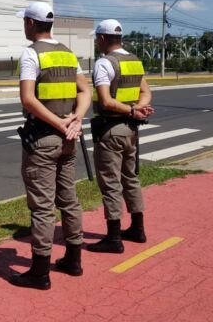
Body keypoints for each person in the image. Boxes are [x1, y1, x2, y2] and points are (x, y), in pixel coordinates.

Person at [10, 2, 91, 290]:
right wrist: (76, 120)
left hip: (44, 139)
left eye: (25, 22)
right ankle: (73, 260)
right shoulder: (68, 54)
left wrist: (60, 124)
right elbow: (85, 90)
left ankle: (40, 271)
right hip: (69, 139)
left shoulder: (32, 54)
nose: (24, 26)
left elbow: (28, 100)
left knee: (43, 207)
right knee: (69, 200)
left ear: (31, 24)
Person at [87, 19, 154, 254]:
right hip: (130, 130)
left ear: (103, 38)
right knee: (131, 179)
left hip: (111, 129)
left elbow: (105, 101)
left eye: (97, 38)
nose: (96, 41)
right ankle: (138, 228)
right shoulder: (134, 61)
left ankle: (113, 238)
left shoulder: (104, 64)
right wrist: (139, 108)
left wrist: (133, 110)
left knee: (110, 184)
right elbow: (146, 92)